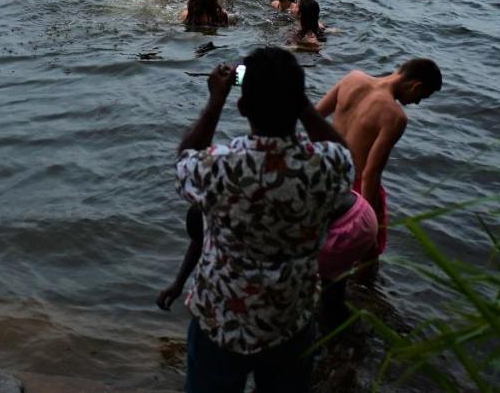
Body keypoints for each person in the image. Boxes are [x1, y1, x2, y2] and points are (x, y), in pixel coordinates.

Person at [176, 47, 353, 392]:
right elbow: (345, 155)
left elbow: (185, 160)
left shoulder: (222, 166)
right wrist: (300, 103)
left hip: (221, 317)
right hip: (290, 317)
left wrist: (216, 101)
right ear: (299, 101)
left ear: (242, 108)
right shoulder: (325, 167)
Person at [315, 58, 443, 256]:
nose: (416, 102)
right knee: (367, 253)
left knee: (320, 240)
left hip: (326, 174)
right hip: (355, 188)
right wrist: (366, 222)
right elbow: (371, 173)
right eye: (421, 97)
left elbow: (314, 117)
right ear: (416, 85)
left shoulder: (353, 78)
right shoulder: (394, 116)